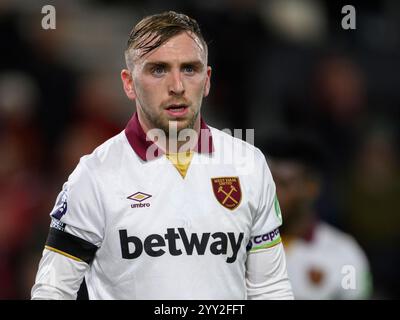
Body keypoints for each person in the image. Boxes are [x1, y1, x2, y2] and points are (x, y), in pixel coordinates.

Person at [31, 11, 293, 300]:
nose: (177, 86)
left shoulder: (249, 165)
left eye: (189, 69)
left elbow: (270, 288)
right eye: (159, 69)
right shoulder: (94, 176)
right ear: (129, 83)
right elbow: (53, 290)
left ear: (206, 80)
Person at [261, 133, 372, 299]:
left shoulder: (344, 255)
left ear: (311, 188)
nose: (271, 193)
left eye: (283, 184)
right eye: (267, 182)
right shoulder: (239, 246)